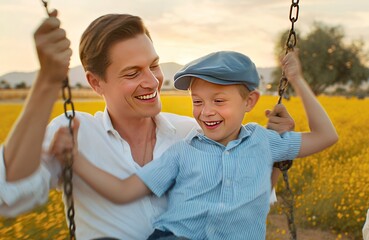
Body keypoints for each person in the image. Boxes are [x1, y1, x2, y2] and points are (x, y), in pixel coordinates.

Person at [0, 13, 294, 239]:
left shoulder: (192, 134)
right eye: (132, 73)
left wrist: (275, 155)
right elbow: (9, 195)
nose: (153, 81)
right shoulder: (76, 133)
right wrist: (47, 81)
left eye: (154, 65)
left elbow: (244, 201)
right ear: (95, 82)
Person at [52, 50, 338, 239]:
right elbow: (123, 190)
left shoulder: (265, 143)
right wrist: (75, 160)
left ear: (249, 102)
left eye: (219, 101)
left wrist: (297, 80)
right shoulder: (183, 150)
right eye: (197, 101)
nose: (206, 111)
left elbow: (326, 136)